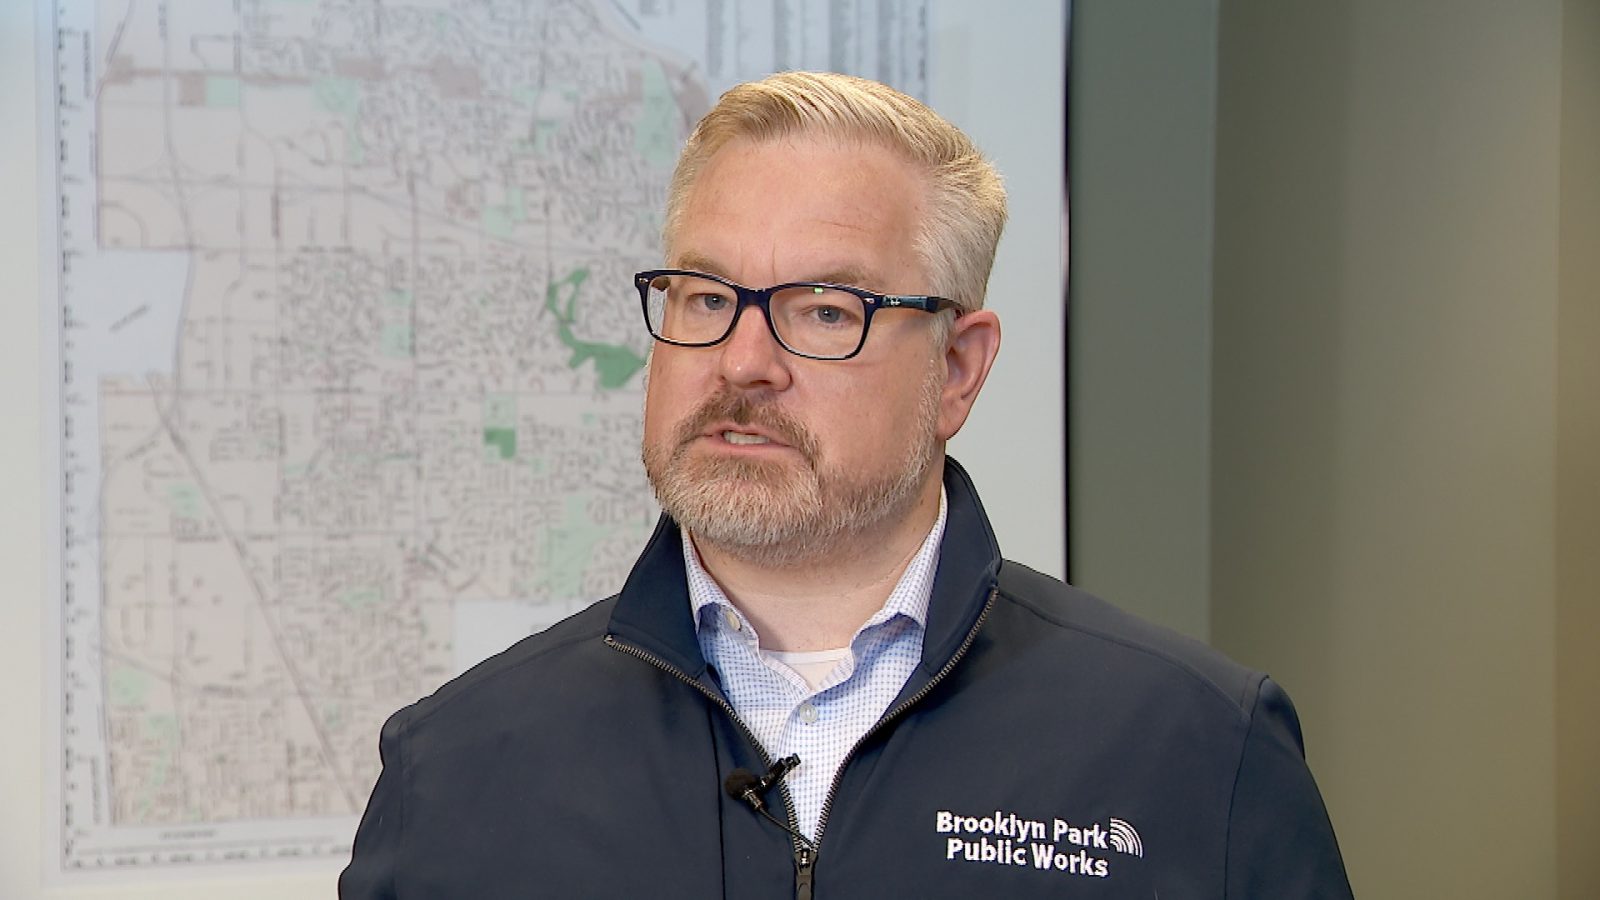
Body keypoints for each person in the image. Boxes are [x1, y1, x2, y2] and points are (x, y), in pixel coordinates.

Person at [340, 71, 1352, 899]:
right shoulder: (460, 763)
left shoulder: (1195, 749)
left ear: (957, 368)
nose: (741, 362)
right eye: (704, 296)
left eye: (823, 311)